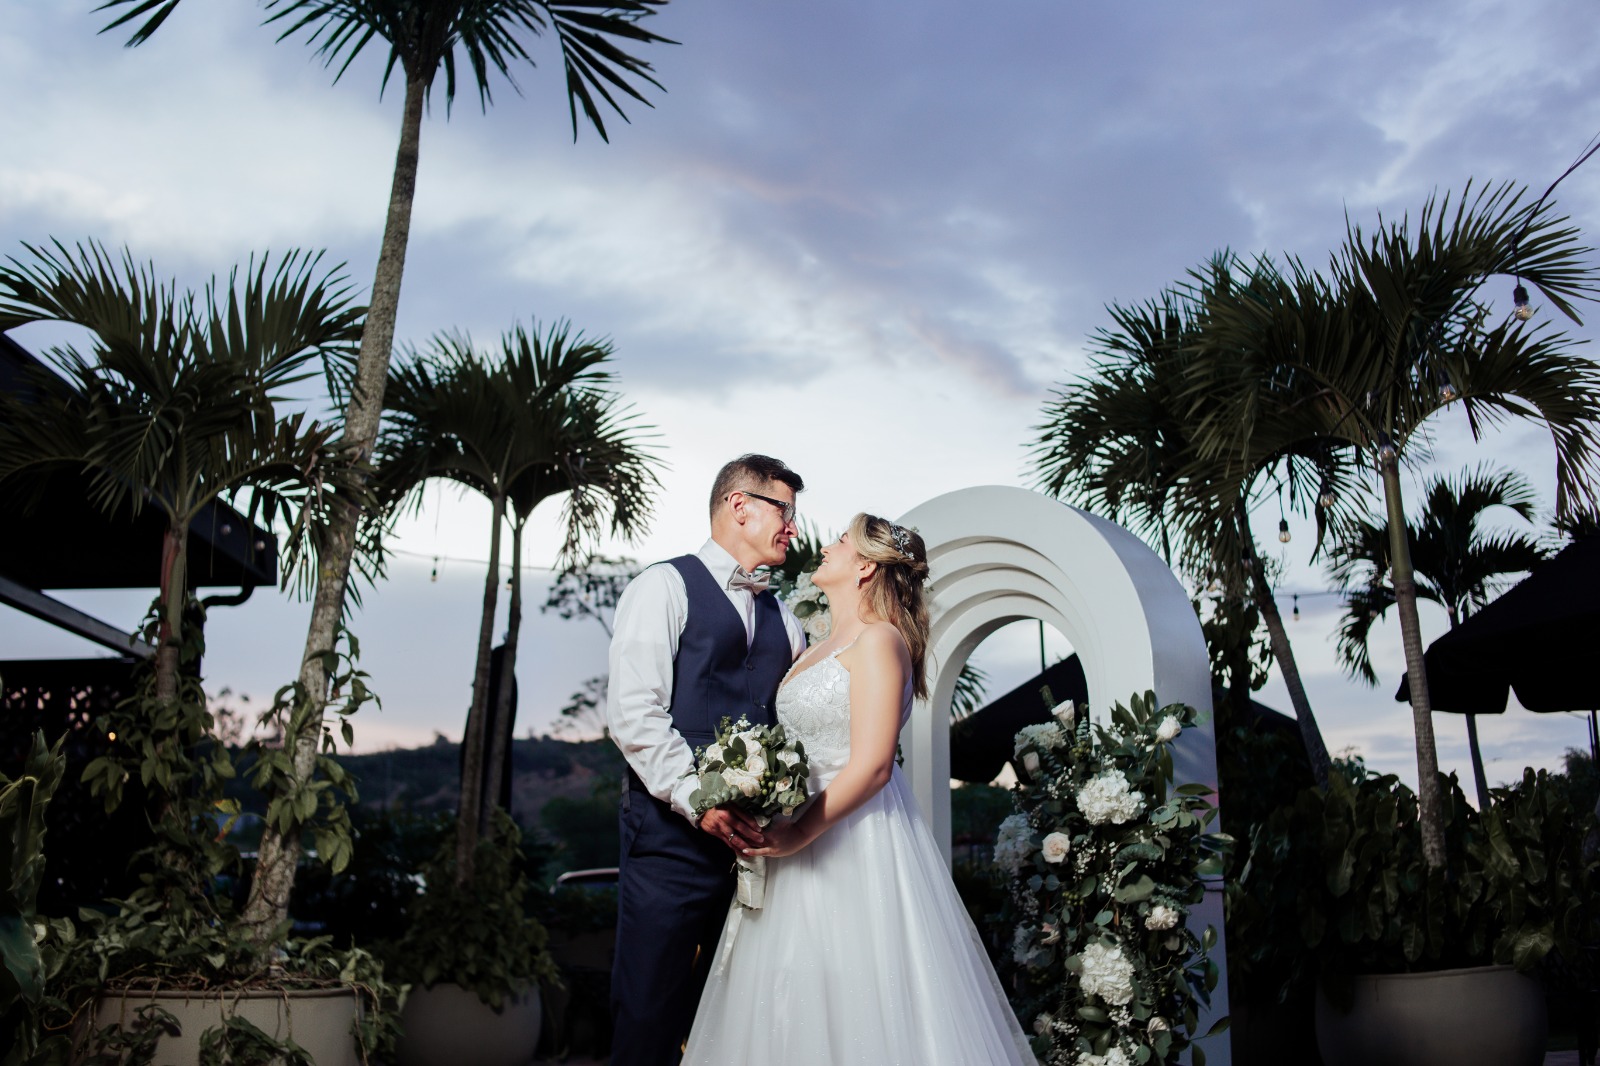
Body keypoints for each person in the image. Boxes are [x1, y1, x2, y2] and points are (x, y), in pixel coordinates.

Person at [682, 513, 1037, 1066]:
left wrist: (798, 831)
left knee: (859, 987)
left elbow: (872, 765)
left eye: (842, 541)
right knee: (788, 991)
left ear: (866, 566)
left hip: (850, 839)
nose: (827, 546)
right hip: (795, 836)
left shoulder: (880, 642)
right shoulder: (816, 645)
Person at [605, 454, 809, 1066]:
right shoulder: (662, 586)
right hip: (669, 843)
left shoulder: (789, 622)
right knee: (647, 1013)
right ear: (738, 504)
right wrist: (699, 799)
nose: (793, 529)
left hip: (757, 855)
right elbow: (634, 713)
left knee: (742, 1019)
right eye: (785, 511)